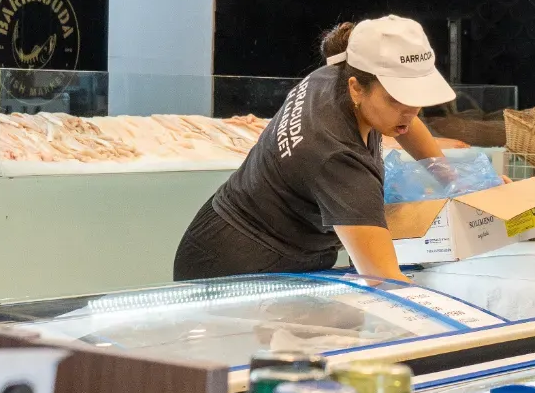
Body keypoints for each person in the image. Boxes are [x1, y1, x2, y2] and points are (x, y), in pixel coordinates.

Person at [174, 15, 460, 282]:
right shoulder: (338, 157)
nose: (411, 111)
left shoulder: (334, 74)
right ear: (357, 88)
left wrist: (454, 182)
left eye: (417, 97)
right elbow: (383, 280)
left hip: (235, 235)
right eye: (398, 98)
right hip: (238, 263)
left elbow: (406, 122)